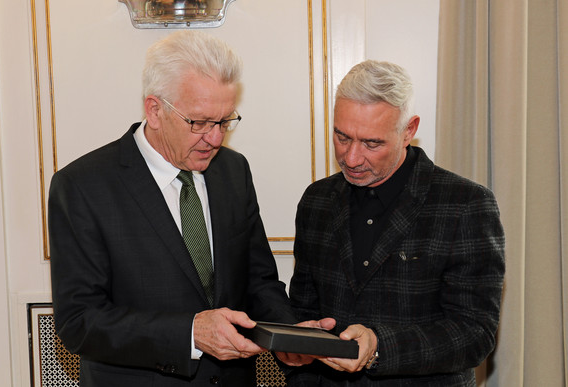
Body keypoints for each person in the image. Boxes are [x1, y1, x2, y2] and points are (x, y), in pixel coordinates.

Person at [49, 30, 318, 387]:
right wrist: (188, 333)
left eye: (224, 121)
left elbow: (258, 280)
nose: (216, 138)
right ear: (155, 110)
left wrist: (288, 335)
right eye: (200, 122)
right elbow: (79, 321)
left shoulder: (233, 171)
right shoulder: (83, 185)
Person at [287, 60, 505, 386]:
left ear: (409, 131)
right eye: (342, 136)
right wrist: (297, 342)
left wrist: (379, 347)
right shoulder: (316, 200)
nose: (351, 158)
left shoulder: (466, 204)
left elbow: (475, 333)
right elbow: (303, 309)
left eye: (372, 143)